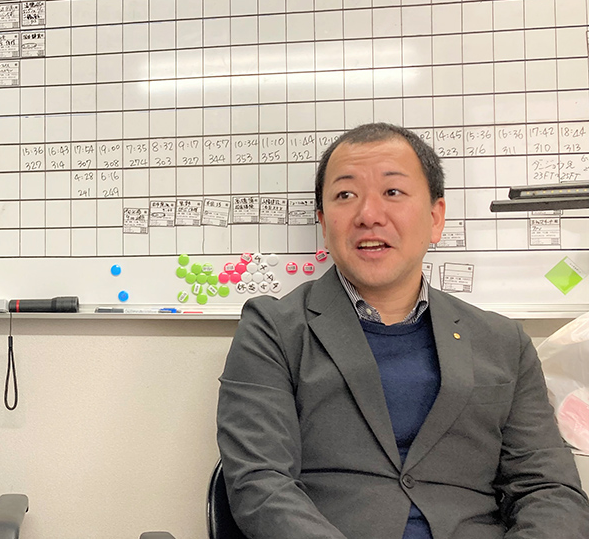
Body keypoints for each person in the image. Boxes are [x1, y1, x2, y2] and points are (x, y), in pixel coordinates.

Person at [217, 122, 589, 538]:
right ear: (323, 222)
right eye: (345, 195)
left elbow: (549, 488)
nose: (368, 216)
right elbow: (260, 484)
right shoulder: (274, 329)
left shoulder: (503, 342)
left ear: (435, 217)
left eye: (393, 192)